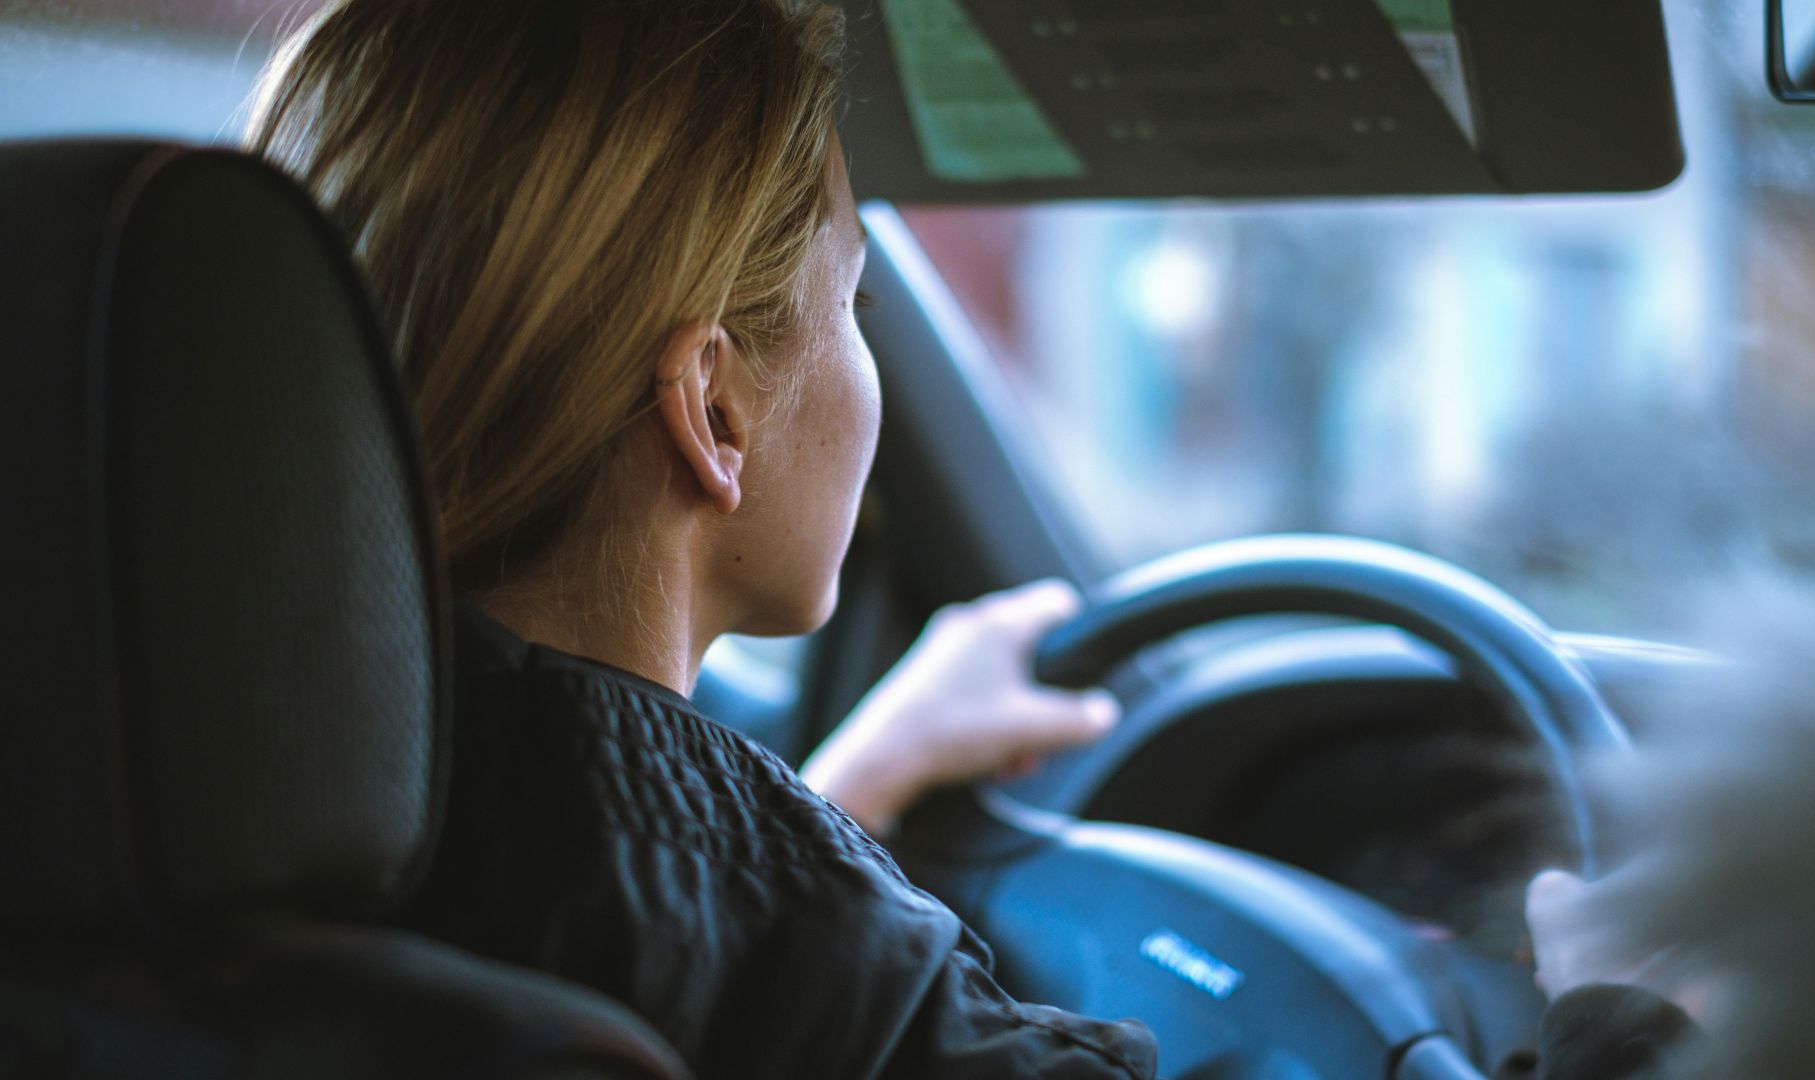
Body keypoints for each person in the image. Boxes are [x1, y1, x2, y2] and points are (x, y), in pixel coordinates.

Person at [247, 1, 1704, 1075]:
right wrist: (1619, 1026)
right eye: (855, 299)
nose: (865, 359)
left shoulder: (214, 819)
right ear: (714, 413)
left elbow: (627, 903)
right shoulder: (857, 1004)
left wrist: (850, 791)